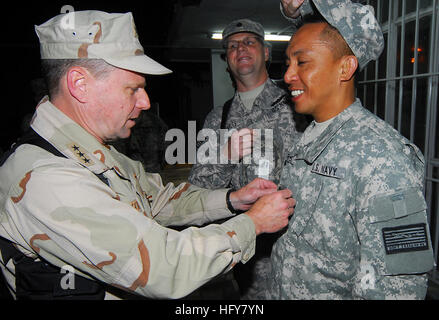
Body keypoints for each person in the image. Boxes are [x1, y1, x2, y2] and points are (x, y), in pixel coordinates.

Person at [0, 10, 296, 300]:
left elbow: (160, 199)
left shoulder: (98, 155)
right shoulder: (49, 179)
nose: (145, 102)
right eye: (133, 89)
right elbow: (164, 266)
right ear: (80, 85)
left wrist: (232, 199)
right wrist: (253, 222)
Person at [266, 0, 435, 299]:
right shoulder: (307, 138)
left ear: (345, 67)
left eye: (302, 62)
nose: (289, 75)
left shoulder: (382, 157)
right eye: (288, 63)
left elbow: (398, 288)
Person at [187, 19, 305, 299]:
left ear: (266, 52)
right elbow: (196, 190)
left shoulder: (298, 105)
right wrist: (225, 155)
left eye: (249, 42)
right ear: (226, 60)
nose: (241, 48)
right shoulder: (219, 118)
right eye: (232, 46)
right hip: (248, 250)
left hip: (299, 247)